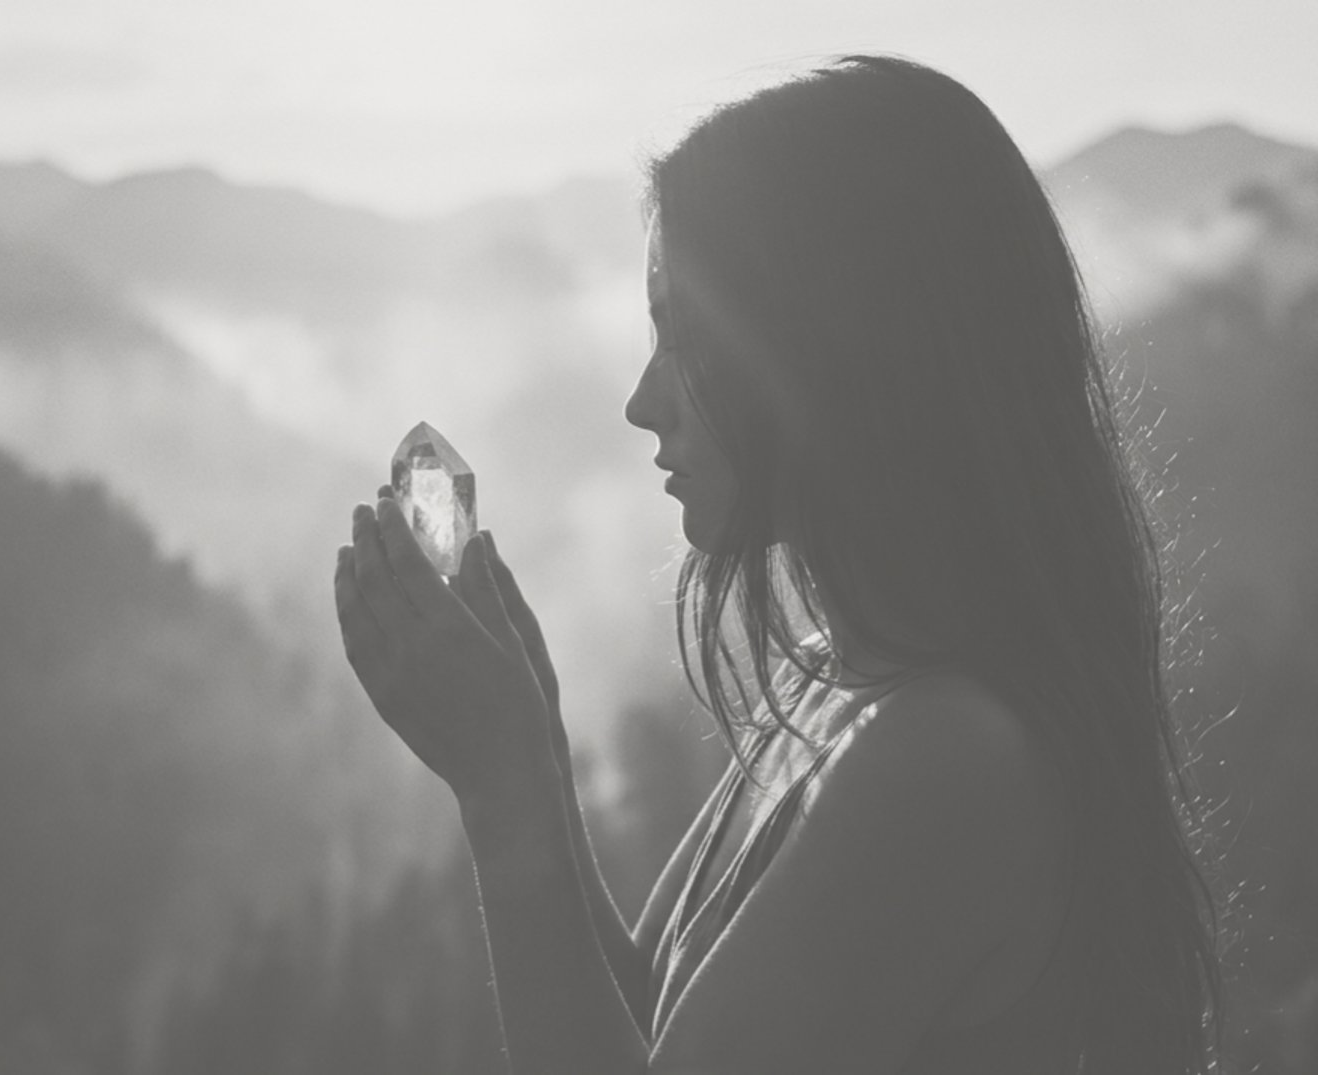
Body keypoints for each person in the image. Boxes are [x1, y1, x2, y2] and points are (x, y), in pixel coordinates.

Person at [334, 54, 1222, 1074]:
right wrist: (533, 748)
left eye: (690, 342)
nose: (642, 400)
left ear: (833, 349)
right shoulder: (840, 684)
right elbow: (661, 1032)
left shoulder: (945, 761)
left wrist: (504, 799)